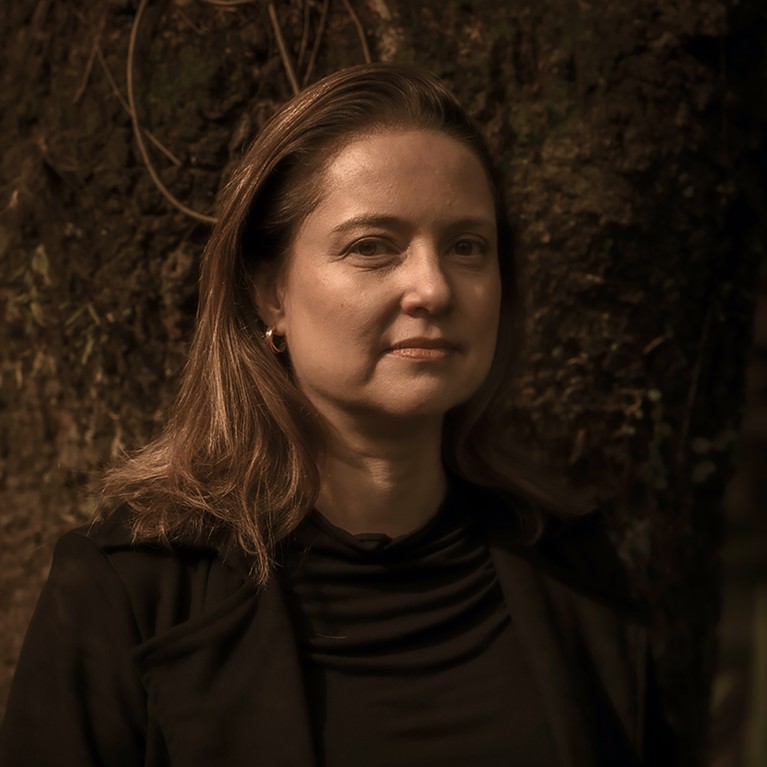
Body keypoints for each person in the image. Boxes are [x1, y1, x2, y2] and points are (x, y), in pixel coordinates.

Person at [0, 63, 674, 766]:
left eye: (466, 246)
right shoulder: (133, 590)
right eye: (371, 246)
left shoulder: (573, 569)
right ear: (269, 294)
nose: (433, 287)